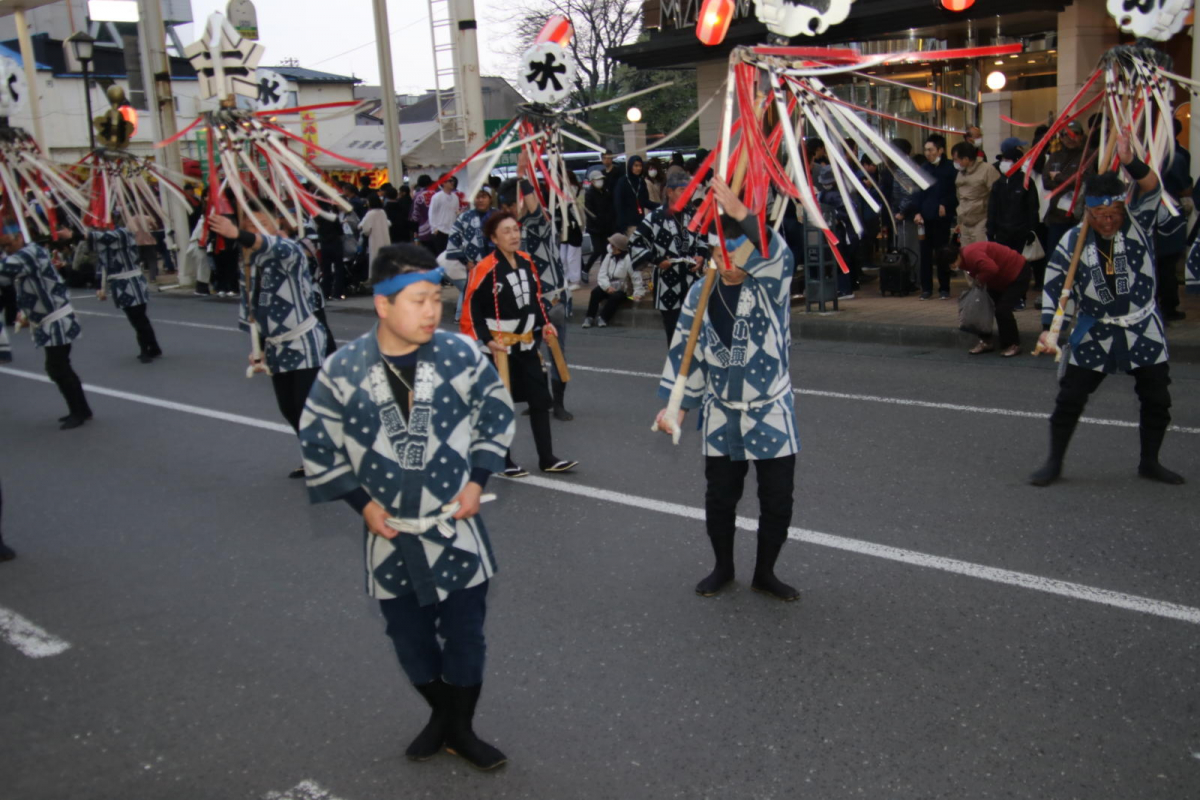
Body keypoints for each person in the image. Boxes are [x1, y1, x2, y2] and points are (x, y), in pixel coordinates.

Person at [298, 243, 515, 771]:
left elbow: (495, 411)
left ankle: (459, 728)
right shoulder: (342, 370)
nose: (431, 311)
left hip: (455, 528)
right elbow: (316, 441)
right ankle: (444, 717)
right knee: (409, 642)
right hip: (390, 534)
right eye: (417, 300)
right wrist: (360, 505)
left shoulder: (460, 353)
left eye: (435, 299)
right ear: (382, 304)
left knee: (466, 637)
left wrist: (476, 480)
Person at [653, 179, 800, 601]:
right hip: (721, 410)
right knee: (720, 497)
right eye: (720, 252)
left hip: (770, 408)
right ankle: (723, 566)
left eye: (737, 251)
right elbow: (688, 351)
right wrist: (676, 408)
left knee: (777, 500)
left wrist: (741, 214)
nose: (729, 260)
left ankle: (765, 572)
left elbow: (779, 256)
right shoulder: (701, 292)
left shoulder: (770, 285)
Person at [1030, 134, 1184, 487]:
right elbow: (1056, 287)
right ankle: (1053, 462)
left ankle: (1150, 461)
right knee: (1070, 397)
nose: (1108, 221)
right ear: (1089, 211)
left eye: (1114, 213)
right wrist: (1050, 328)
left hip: (1142, 325)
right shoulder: (1074, 241)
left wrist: (1130, 161)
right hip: (1095, 328)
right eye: (1100, 215)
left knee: (1157, 398)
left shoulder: (1139, 223)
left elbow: (1151, 186)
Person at [209, 201, 328, 479]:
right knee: (288, 408)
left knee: (305, 407)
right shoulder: (249, 263)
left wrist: (239, 234)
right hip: (276, 345)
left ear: (278, 224)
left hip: (304, 342)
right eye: (248, 225)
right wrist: (257, 347)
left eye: (261, 224)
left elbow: (276, 246)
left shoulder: (290, 251)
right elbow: (250, 308)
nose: (253, 230)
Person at [463, 211, 577, 476]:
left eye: (516, 230)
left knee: (539, 400)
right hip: (499, 347)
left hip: (527, 344)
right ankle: (503, 460)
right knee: (500, 404)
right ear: (493, 238)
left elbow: (535, 298)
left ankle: (547, 458)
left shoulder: (526, 261)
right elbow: (473, 308)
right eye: (506, 231)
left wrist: (545, 322)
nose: (514, 236)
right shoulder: (485, 269)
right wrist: (487, 341)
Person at [491, 176, 573, 421]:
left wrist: (521, 176)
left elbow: (531, 202)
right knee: (528, 354)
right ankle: (540, 398)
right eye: (506, 207)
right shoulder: (510, 231)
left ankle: (558, 403)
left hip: (551, 298)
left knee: (556, 352)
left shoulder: (540, 219)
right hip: (526, 301)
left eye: (512, 205)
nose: (509, 211)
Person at [0, 221, 92, 429]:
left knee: (57, 368)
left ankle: (78, 412)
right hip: (53, 319)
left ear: (19, 237)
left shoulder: (26, 255)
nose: (6, 250)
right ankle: (81, 409)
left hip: (57, 319)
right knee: (61, 367)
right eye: (3, 247)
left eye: (8, 245)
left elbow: (3, 274)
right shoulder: (32, 252)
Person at [630, 168, 710, 343]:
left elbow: (704, 238)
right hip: (667, 282)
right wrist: (657, 260)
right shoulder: (655, 217)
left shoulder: (693, 215)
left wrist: (701, 256)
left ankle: (692, 368)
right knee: (674, 333)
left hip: (692, 280)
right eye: (682, 190)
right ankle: (676, 368)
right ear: (669, 191)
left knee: (696, 331)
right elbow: (635, 243)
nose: (687, 194)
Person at [937, 242, 1030, 357]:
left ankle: (1013, 344)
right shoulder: (964, 259)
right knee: (983, 307)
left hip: (1017, 272)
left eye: (952, 264)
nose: (953, 267)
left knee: (1002, 310)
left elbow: (991, 268)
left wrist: (979, 279)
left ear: (956, 256)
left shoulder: (971, 254)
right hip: (998, 279)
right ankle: (986, 341)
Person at [91, 222, 163, 363]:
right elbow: (101, 266)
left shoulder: (123, 234)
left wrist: (78, 234)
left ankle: (145, 350)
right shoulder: (104, 247)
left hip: (133, 282)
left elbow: (104, 238)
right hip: (119, 285)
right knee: (136, 319)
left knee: (139, 318)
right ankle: (154, 347)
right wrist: (100, 287)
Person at [910, 134, 958, 299]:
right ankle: (926, 288)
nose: (928, 153)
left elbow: (955, 192)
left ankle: (944, 288)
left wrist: (946, 204)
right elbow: (916, 192)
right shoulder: (923, 168)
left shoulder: (950, 168)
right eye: (926, 150)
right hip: (925, 217)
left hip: (942, 218)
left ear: (940, 150)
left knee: (943, 253)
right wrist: (916, 211)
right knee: (925, 255)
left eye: (931, 150)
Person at [442, 188, 495, 322]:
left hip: (496, 263)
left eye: (484, 197)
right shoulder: (465, 217)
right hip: (473, 264)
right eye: (478, 197)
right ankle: (469, 319)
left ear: (490, 198)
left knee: (496, 291)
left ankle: (494, 319)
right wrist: (465, 261)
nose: (481, 200)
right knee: (473, 292)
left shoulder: (498, 215)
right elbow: (454, 238)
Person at [1043, 120, 1090, 261]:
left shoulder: (1088, 156)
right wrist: (1068, 180)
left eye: (1075, 134)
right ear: (1061, 137)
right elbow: (1046, 182)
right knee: (1054, 257)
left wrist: (1058, 177)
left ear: (1081, 136)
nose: (1070, 138)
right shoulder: (1054, 156)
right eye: (1066, 135)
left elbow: (1084, 182)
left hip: (1079, 217)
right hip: (1056, 216)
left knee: (1077, 257)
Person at [987, 137, 1040, 255]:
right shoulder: (998, 183)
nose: (1003, 163)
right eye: (1003, 160)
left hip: (1020, 233)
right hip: (1001, 233)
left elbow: (1033, 208)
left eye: (1007, 160)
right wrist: (990, 230)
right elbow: (992, 208)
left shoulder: (1026, 182)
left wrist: (1032, 230)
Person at [582, 232, 643, 328]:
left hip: (623, 289)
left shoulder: (628, 259)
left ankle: (603, 318)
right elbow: (602, 273)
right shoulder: (609, 256)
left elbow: (636, 277)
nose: (610, 247)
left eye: (613, 245)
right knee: (595, 292)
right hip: (609, 285)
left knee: (616, 297)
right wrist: (606, 287)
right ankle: (589, 317)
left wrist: (637, 293)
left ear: (619, 247)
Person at [952, 142, 999, 247]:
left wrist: (992, 222)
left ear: (966, 159)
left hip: (982, 221)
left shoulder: (987, 169)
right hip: (964, 221)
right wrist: (959, 221)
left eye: (956, 159)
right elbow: (959, 197)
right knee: (966, 255)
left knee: (980, 254)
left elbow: (997, 195)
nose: (955, 162)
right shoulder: (960, 172)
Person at [582, 169, 615, 281]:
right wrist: (597, 219)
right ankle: (586, 269)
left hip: (606, 226)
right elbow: (589, 211)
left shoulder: (605, 192)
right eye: (597, 180)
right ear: (592, 181)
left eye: (601, 179)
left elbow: (610, 208)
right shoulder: (589, 194)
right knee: (597, 250)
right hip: (595, 227)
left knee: (606, 251)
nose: (600, 182)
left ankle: (603, 273)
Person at [556, 171, 584, 290]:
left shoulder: (577, 190)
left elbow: (579, 209)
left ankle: (575, 280)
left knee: (572, 256)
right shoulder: (561, 191)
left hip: (574, 226)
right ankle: (566, 278)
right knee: (563, 256)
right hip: (564, 227)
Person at [614, 155, 651, 235]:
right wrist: (622, 225)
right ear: (630, 166)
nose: (638, 168)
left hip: (640, 221)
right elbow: (619, 204)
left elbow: (645, 201)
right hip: (628, 224)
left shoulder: (641, 181)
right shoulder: (623, 182)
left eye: (640, 166)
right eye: (636, 166)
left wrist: (660, 206)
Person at [429, 176, 462, 255]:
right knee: (441, 255)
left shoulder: (455, 197)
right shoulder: (437, 197)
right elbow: (431, 213)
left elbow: (456, 212)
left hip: (452, 230)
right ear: (443, 183)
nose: (452, 183)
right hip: (440, 231)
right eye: (450, 181)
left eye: (453, 181)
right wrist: (434, 229)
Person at [359, 194, 392, 269]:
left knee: (375, 258)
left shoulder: (370, 214)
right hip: (385, 238)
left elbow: (366, 230)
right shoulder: (382, 212)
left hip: (374, 239)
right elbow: (388, 223)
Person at [410, 175, 437, 253]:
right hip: (438, 227)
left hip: (423, 229)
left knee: (428, 252)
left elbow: (414, 215)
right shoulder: (437, 193)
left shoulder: (418, 195)